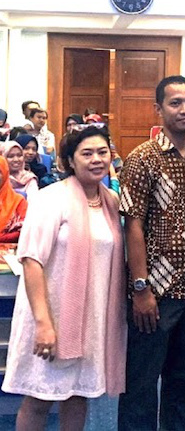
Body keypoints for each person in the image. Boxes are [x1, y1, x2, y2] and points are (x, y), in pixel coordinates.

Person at [4, 125, 127, 431]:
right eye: (87, 153)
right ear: (70, 160)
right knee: (39, 398)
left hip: (92, 318)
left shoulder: (111, 201)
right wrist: (44, 324)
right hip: (51, 315)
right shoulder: (51, 198)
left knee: (78, 396)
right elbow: (31, 260)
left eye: (102, 152)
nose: (96, 159)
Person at [117, 76, 185, 431]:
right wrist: (140, 288)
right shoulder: (141, 158)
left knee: (183, 380)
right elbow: (132, 225)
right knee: (141, 384)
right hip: (155, 291)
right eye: (175, 103)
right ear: (158, 109)